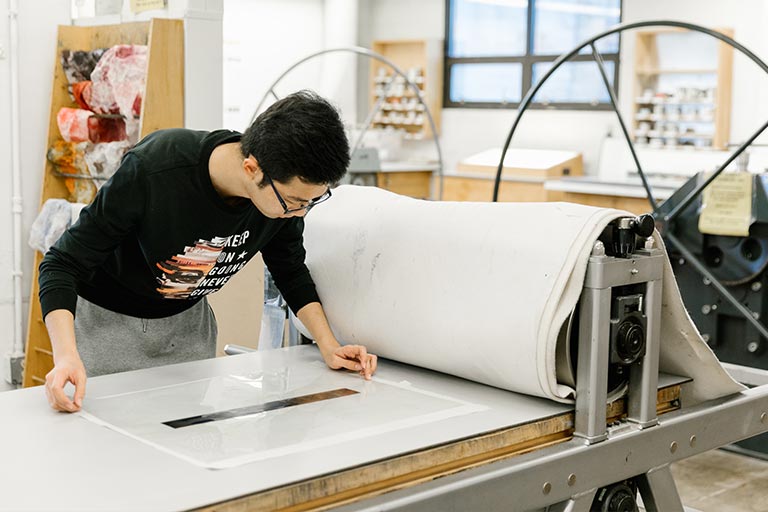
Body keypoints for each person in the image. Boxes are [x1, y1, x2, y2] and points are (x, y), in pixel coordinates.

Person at [39, 90, 378, 412]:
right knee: (109, 453)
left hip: (188, 330)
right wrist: (66, 356)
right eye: (294, 202)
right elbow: (61, 264)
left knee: (183, 449)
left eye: (310, 202)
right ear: (252, 168)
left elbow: (290, 271)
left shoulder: (280, 202)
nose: (300, 213)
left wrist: (329, 345)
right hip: (108, 329)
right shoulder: (157, 168)